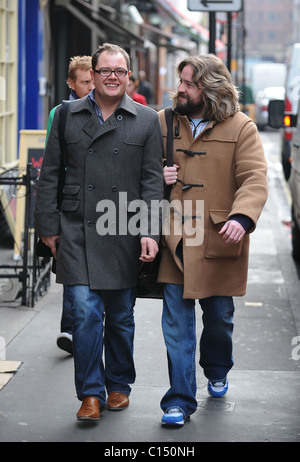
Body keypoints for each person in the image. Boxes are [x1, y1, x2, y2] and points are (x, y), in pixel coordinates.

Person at [34, 43, 163, 421]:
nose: (112, 77)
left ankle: (119, 383)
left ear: (128, 76)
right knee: (85, 314)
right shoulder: (68, 115)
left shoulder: (145, 119)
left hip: (123, 228)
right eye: (105, 70)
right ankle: (90, 392)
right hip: (77, 228)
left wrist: (150, 232)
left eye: (119, 71)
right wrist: (47, 226)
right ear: (93, 74)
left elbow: (153, 182)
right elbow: (50, 173)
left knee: (121, 316)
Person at [157, 54, 268, 426]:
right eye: (181, 82)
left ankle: (217, 369)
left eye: (188, 83)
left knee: (218, 319)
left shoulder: (242, 127)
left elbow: (254, 178)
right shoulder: (163, 122)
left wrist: (242, 216)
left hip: (219, 238)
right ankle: (178, 400)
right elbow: (139, 173)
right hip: (174, 240)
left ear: (210, 88)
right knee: (176, 324)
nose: (180, 89)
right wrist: (159, 175)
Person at [45, 56, 94, 355]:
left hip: (102, 206)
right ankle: (70, 328)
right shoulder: (61, 114)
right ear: (71, 84)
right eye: (85, 81)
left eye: (93, 80)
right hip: (70, 202)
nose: (91, 86)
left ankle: (80, 326)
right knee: (71, 268)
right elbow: (54, 161)